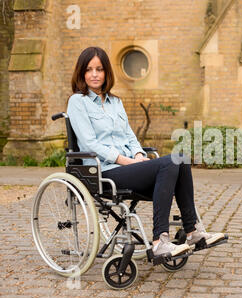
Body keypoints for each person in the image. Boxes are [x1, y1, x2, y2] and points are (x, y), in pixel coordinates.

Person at [67, 47, 225, 257]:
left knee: (181, 158)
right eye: (89, 69)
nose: (94, 74)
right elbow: (90, 144)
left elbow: (129, 135)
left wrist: (139, 154)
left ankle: (193, 231)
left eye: (99, 69)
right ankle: (160, 241)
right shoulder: (78, 101)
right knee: (170, 162)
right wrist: (127, 161)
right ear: (82, 73)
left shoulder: (115, 102)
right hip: (104, 172)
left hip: (130, 167)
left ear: (106, 73)